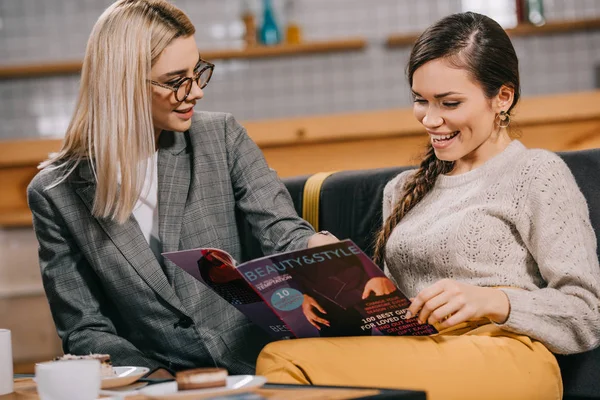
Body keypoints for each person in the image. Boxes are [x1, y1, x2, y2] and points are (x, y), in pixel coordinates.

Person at [255, 12, 600, 400]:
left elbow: (585, 313)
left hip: (508, 355)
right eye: (420, 100)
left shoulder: (536, 172)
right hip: (422, 351)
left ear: (502, 97)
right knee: (285, 357)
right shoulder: (404, 188)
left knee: (286, 362)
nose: (431, 119)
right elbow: (398, 313)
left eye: (449, 103)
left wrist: (492, 300)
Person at [27, 0, 336, 376]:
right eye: (176, 81)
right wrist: (156, 380)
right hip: (152, 380)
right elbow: (85, 328)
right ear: (121, 83)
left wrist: (317, 248)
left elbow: (282, 232)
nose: (195, 92)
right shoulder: (55, 192)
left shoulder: (221, 136)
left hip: (260, 366)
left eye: (197, 72)